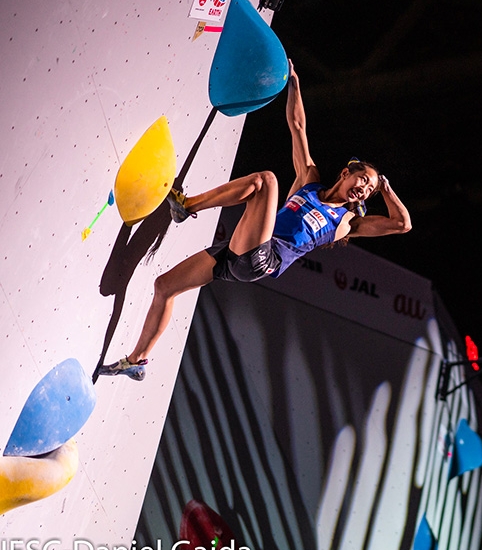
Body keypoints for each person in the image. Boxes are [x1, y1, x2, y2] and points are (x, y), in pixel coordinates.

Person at [96, 61, 411, 381]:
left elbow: (402, 224)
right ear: (346, 173)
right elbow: (298, 126)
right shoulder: (310, 182)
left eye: (369, 190)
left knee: (266, 182)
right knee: (164, 287)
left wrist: (385, 187)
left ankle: (185, 205)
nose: (364, 189)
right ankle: (138, 361)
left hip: (263, 260)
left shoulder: (347, 223)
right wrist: (294, 84)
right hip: (238, 250)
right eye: (363, 180)